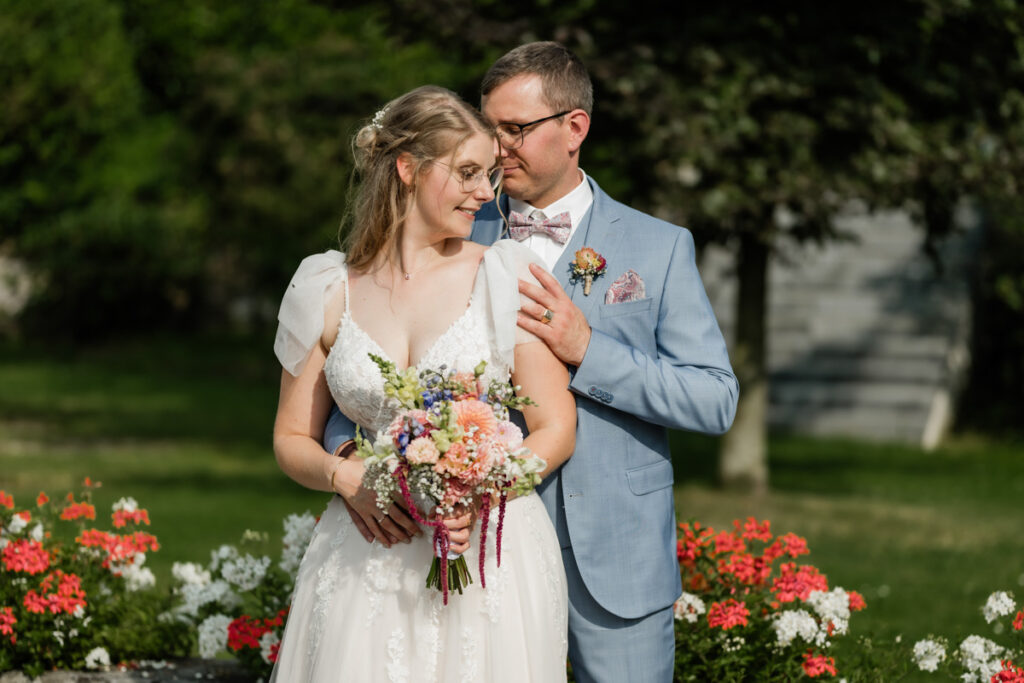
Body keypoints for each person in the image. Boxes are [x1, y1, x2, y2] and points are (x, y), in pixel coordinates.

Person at [327, 43, 739, 682]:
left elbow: (714, 399)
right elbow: (361, 363)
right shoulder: (454, 232)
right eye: (490, 129)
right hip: (470, 556)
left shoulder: (658, 248)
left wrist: (589, 350)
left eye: (515, 130)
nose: (497, 148)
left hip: (613, 564)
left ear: (575, 128)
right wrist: (354, 463)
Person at [270, 85, 576, 682]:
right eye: (466, 172)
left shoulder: (502, 274)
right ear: (407, 169)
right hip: (365, 558)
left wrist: (483, 486)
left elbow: (555, 425)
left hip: (489, 555)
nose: (486, 193)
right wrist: (344, 475)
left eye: (488, 174)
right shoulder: (325, 287)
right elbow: (289, 437)